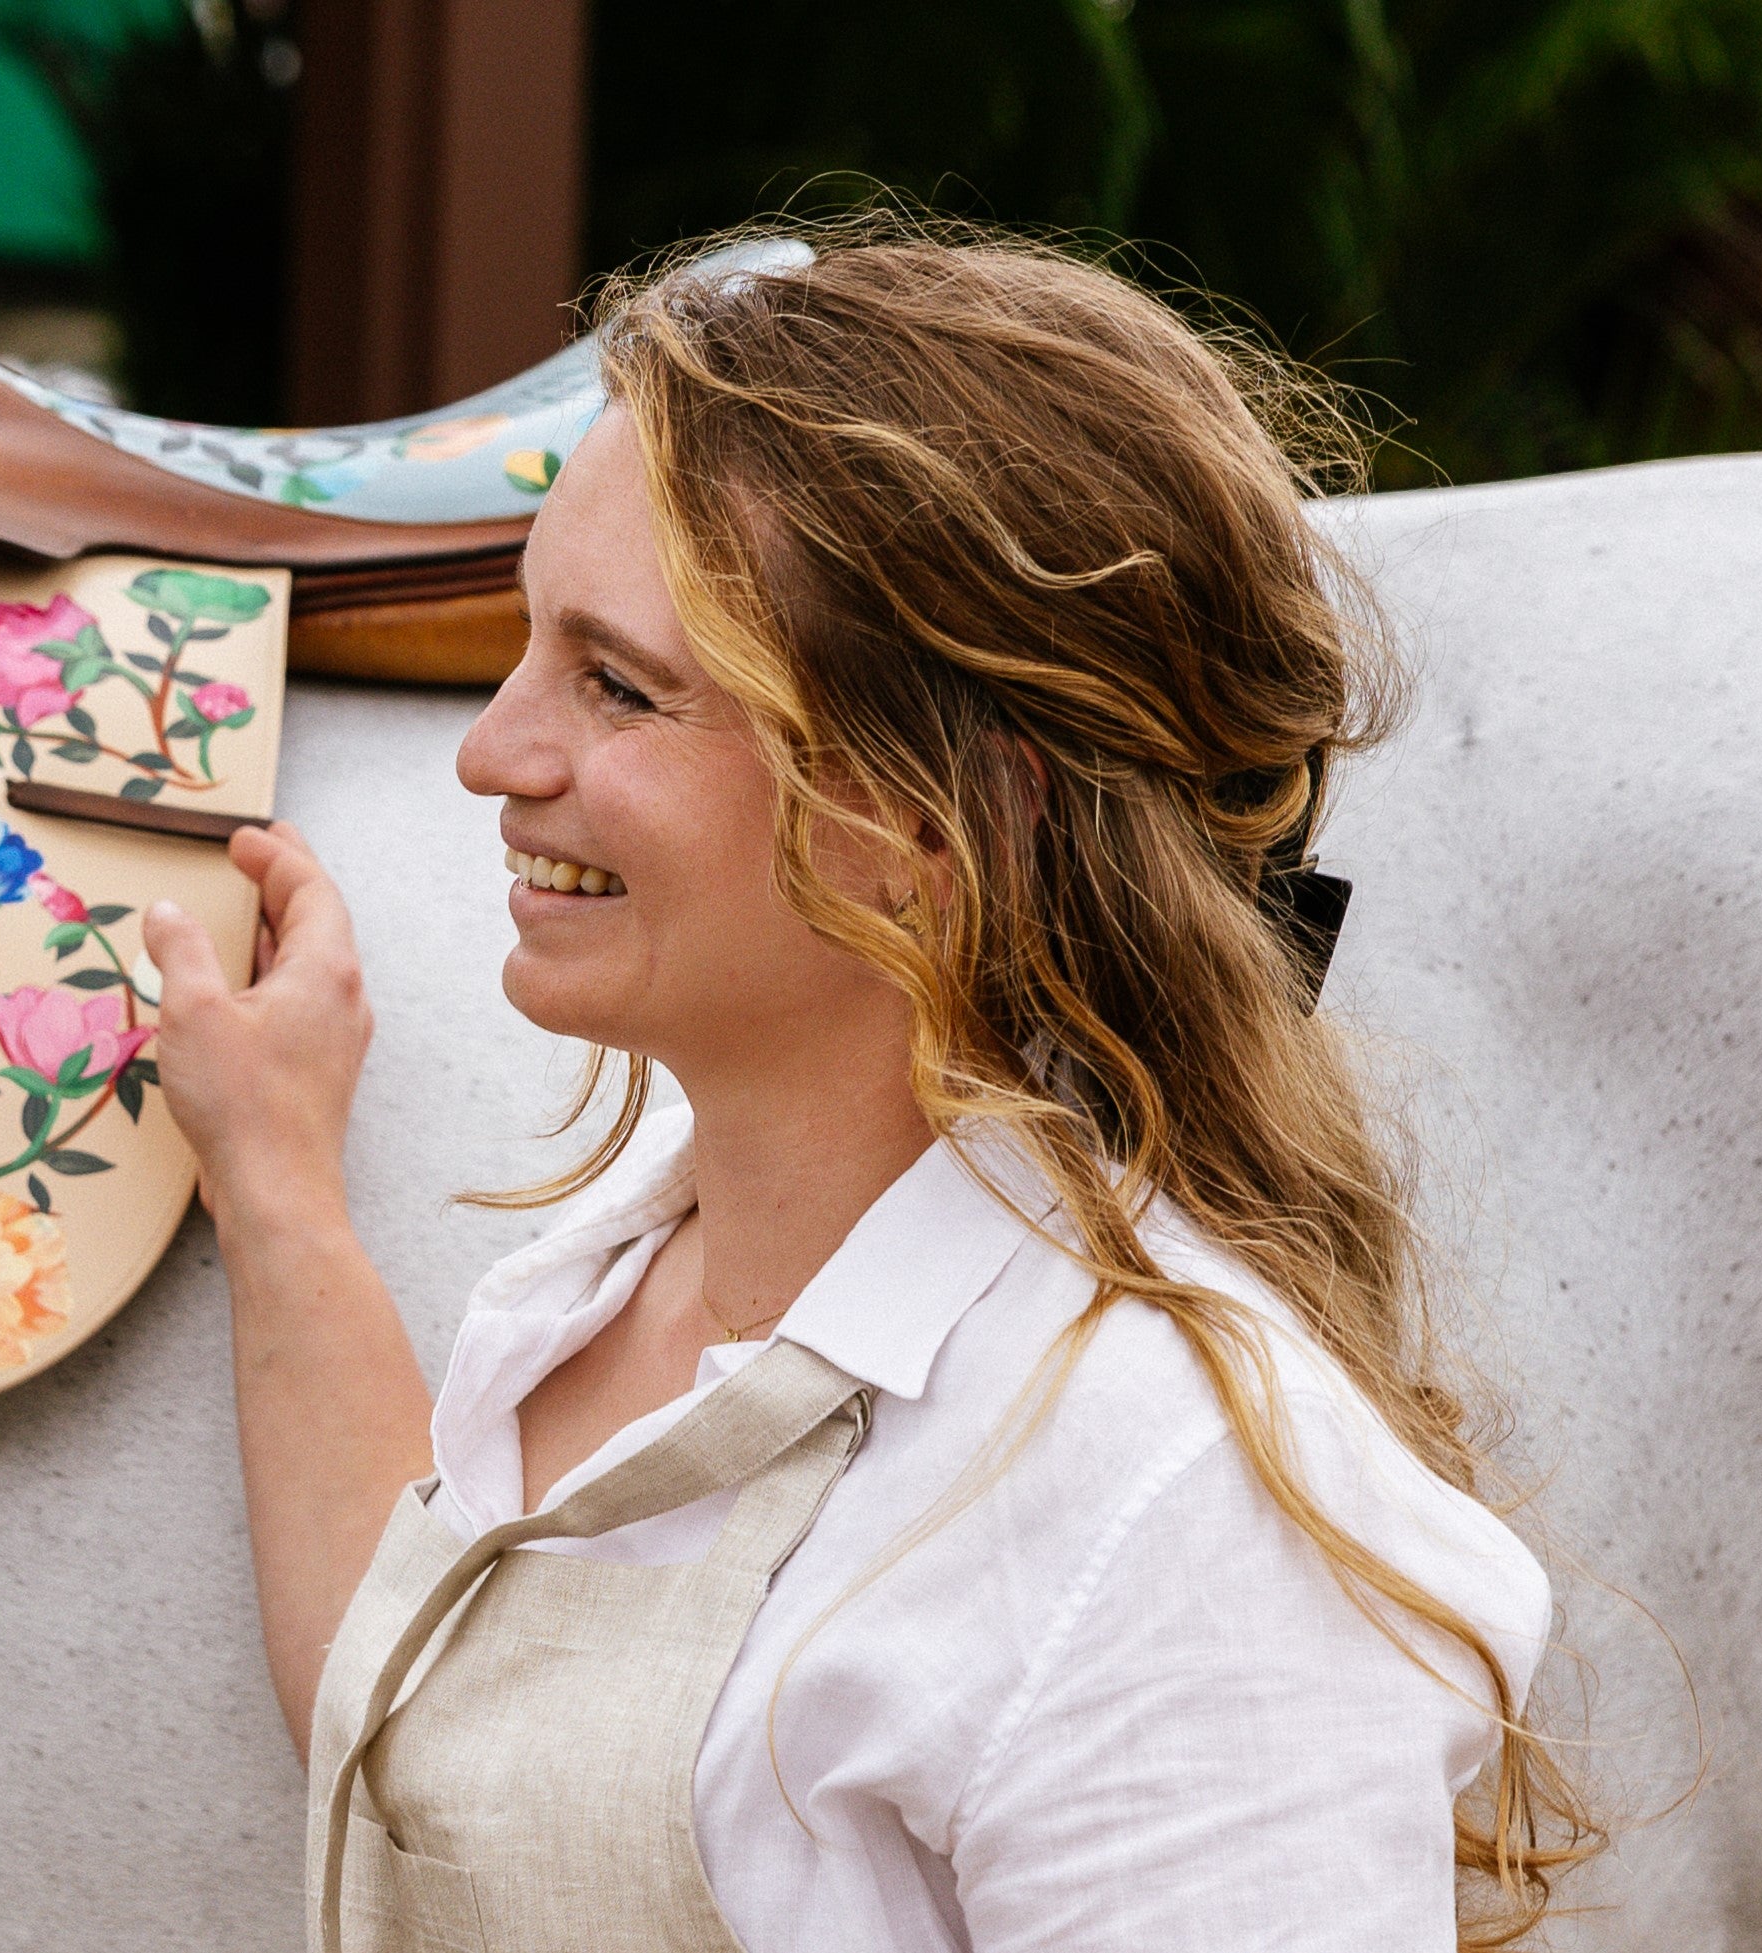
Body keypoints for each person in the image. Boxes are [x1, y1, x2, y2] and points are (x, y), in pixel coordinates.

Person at [133, 220, 1602, 1953]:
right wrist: (279, 1180)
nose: (492, 752)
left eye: (618, 684)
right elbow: (443, 1764)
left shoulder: (1171, 1515)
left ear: (934, 819)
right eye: (525, 653)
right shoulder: (614, 1293)